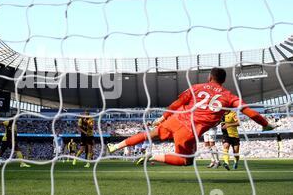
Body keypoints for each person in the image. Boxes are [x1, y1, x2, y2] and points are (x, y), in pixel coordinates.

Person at [107, 67, 275, 166]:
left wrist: (164, 117)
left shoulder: (196, 87)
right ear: (223, 81)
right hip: (189, 131)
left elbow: (177, 103)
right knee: (187, 161)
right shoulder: (229, 96)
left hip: (176, 119)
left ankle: (115, 147)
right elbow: (249, 111)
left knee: (148, 135)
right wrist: (265, 124)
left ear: (209, 77)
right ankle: (152, 156)